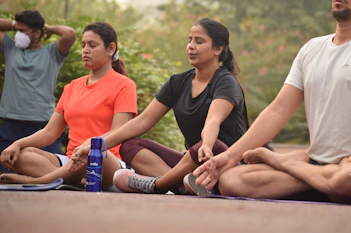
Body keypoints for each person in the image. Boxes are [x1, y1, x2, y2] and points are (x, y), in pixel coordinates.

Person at [193, 0, 351, 206]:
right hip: (316, 163)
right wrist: (229, 156)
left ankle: (285, 162)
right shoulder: (312, 49)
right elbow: (278, 110)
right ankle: (320, 182)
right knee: (232, 181)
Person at [68, 18, 249, 195]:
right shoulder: (177, 82)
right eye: (190, 40)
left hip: (224, 162)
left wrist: (207, 146)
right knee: (130, 145)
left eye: (199, 41)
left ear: (218, 49)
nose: (191, 46)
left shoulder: (226, 82)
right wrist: (97, 145)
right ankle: (183, 186)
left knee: (209, 145)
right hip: (193, 163)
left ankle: (158, 185)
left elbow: (213, 120)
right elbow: (142, 122)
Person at [0, 22, 137, 191]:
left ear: (110, 49)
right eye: (83, 45)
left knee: (95, 153)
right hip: (71, 162)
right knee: (21, 155)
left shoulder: (124, 85)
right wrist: (17, 144)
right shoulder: (72, 87)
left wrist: (88, 147)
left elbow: (118, 132)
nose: (85, 50)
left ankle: (42, 180)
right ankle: (69, 182)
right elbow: (49, 132)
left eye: (92, 45)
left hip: (106, 161)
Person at [0, 10, 76, 173]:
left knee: (56, 174)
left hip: (43, 127)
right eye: (17, 30)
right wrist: (14, 25)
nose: (18, 34)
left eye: (23, 31)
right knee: (6, 176)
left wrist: (50, 28)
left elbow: (70, 34)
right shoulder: (11, 48)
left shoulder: (52, 53)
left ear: (37, 34)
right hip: (12, 124)